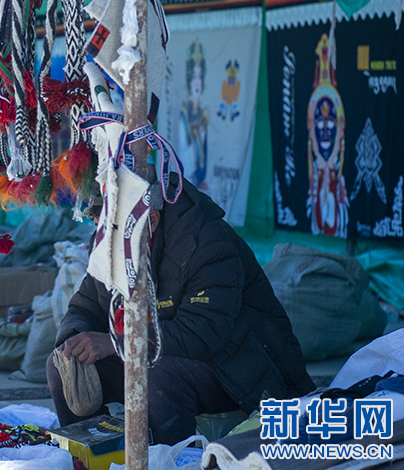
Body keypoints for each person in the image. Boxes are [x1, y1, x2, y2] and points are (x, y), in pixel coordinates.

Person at [48, 177, 314, 444]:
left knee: (155, 370)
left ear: (151, 221)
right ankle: (97, 454)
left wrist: (116, 343)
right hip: (163, 354)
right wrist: (74, 341)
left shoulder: (206, 241)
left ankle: (174, 459)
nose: (108, 242)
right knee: (63, 365)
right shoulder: (109, 247)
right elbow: (85, 306)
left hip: (239, 367)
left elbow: (202, 333)